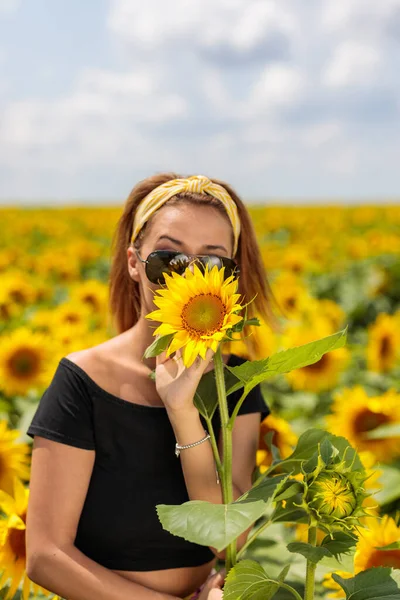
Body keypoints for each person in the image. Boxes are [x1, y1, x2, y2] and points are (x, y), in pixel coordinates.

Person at [25, 173, 278, 600]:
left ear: (230, 277)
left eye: (213, 263)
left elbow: (231, 538)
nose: (189, 279)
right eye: (168, 259)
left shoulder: (234, 383)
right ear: (133, 262)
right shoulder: (83, 382)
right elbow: (46, 555)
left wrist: (183, 412)